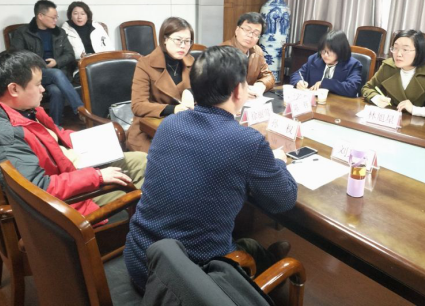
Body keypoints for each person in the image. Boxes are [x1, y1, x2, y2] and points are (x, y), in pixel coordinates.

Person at [124, 46, 297, 292]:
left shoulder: (169, 124)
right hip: (190, 281)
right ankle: (270, 267)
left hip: (141, 260)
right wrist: (278, 160)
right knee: (248, 250)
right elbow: (283, 200)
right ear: (238, 90)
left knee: (245, 242)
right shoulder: (247, 142)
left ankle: (264, 257)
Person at [0, 50, 147, 217]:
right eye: (38, 84)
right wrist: (96, 176)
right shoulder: (5, 134)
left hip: (71, 166)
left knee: (143, 160)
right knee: (147, 192)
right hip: (70, 201)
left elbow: (55, 133)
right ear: (14, 89)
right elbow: (37, 188)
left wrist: (91, 139)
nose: (42, 89)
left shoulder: (21, 108)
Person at [127, 17, 195, 152]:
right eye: (178, 40)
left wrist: (191, 93)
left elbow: (203, 90)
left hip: (184, 126)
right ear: (165, 39)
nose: (183, 46)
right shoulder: (145, 64)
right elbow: (138, 105)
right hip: (149, 128)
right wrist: (173, 109)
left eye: (187, 41)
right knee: (168, 158)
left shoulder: (191, 61)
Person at [11, 0, 84, 126]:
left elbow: (70, 54)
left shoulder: (60, 32)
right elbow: (17, 57)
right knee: (56, 74)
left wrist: (57, 62)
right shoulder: (23, 32)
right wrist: (40, 64)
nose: (56, 20)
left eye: (56, 17)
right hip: (33, 74)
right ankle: (80, 109)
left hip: (58, 74)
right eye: (53, 17)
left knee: (56, 91)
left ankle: (56, 126)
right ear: (40, 16)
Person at [362, 29, 425, 120]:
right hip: (390, 119)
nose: (398, 54)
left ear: (418, 52)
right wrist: (376, 97)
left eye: (405, 50)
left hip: (417, 124)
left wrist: (415, 109)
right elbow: (367, 88)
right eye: (395, 48)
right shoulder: (388, 67)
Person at [289, 30, 363, 97]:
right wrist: (298, 82)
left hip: (338, 105)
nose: (325, 55)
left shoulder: (353, 65)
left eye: (329, 51)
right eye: (323, 51)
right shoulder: (314, 59)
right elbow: (297, 74)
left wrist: (325, 83)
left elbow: (352, 88)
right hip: (314, 103)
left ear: (340, 50)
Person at [221, 12, 275, 97]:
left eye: (256, 33)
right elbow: (216, 85)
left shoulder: (257, 51)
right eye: (247, 30)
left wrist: (260, 85)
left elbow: (269, 76)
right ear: (237, 30)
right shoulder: (221, 52)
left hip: (249, 100)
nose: (250, 35)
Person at [62, 1, 113, 65]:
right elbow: (64, 54)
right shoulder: (65, 30)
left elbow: (110, 48)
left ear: (87, 15)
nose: (79, 17)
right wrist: (79, 56)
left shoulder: (97, 27)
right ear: (70, 16)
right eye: (75, 14)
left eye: (83, 14)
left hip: (101, 62)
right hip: (79, 64)